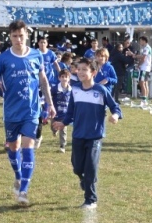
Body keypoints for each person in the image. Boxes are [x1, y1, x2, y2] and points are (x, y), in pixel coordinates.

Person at [0, 20, 55, 207]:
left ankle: (24, 191)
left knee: (28, 147)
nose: (18, 39)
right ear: (10, 37)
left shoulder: (36, 55)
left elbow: (43, 81)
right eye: (14, 36)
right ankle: (18, 177)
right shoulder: (3, 58)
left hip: (31, 111)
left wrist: (49, 103)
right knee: (13, 148)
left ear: (27, 35)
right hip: (11, 112)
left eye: (21, 35)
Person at [51, 57, 122, 209]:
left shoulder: (100, 90)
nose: (81, 72)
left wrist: (115, 115)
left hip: (95, 136)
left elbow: (115, 107)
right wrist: (63, 123)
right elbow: (70, 113)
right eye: (79, 69)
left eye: (85, 69)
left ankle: (91, 199)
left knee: (90, 167)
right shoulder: (75, 89)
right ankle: (84, 180)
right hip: (78, 135)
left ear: (93, 73)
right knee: (77, 167)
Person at [52, 68, 73, 152]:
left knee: (63, 129)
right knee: (53, 127)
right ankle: (54, 131)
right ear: (59, 78)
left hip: (65, 113)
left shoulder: (71, 90)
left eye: (66, 77)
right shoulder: (54, 89)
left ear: (69, 78)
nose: (64, 78)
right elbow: (49, 97)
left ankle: (62, 146)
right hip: (55, 112)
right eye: (62, 76)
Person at [136, 36, 152, 105]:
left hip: (144, 68)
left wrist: (139, 65)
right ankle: (145, 99)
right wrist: (135, 55)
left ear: (144, 41)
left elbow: (143, 58)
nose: (140, 42)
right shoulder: (147, 48)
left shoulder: (146, 48)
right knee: (145, 83)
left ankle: (144, 100)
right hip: (147, 68)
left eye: (140, 41)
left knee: (142, 83)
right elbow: (142, 56)